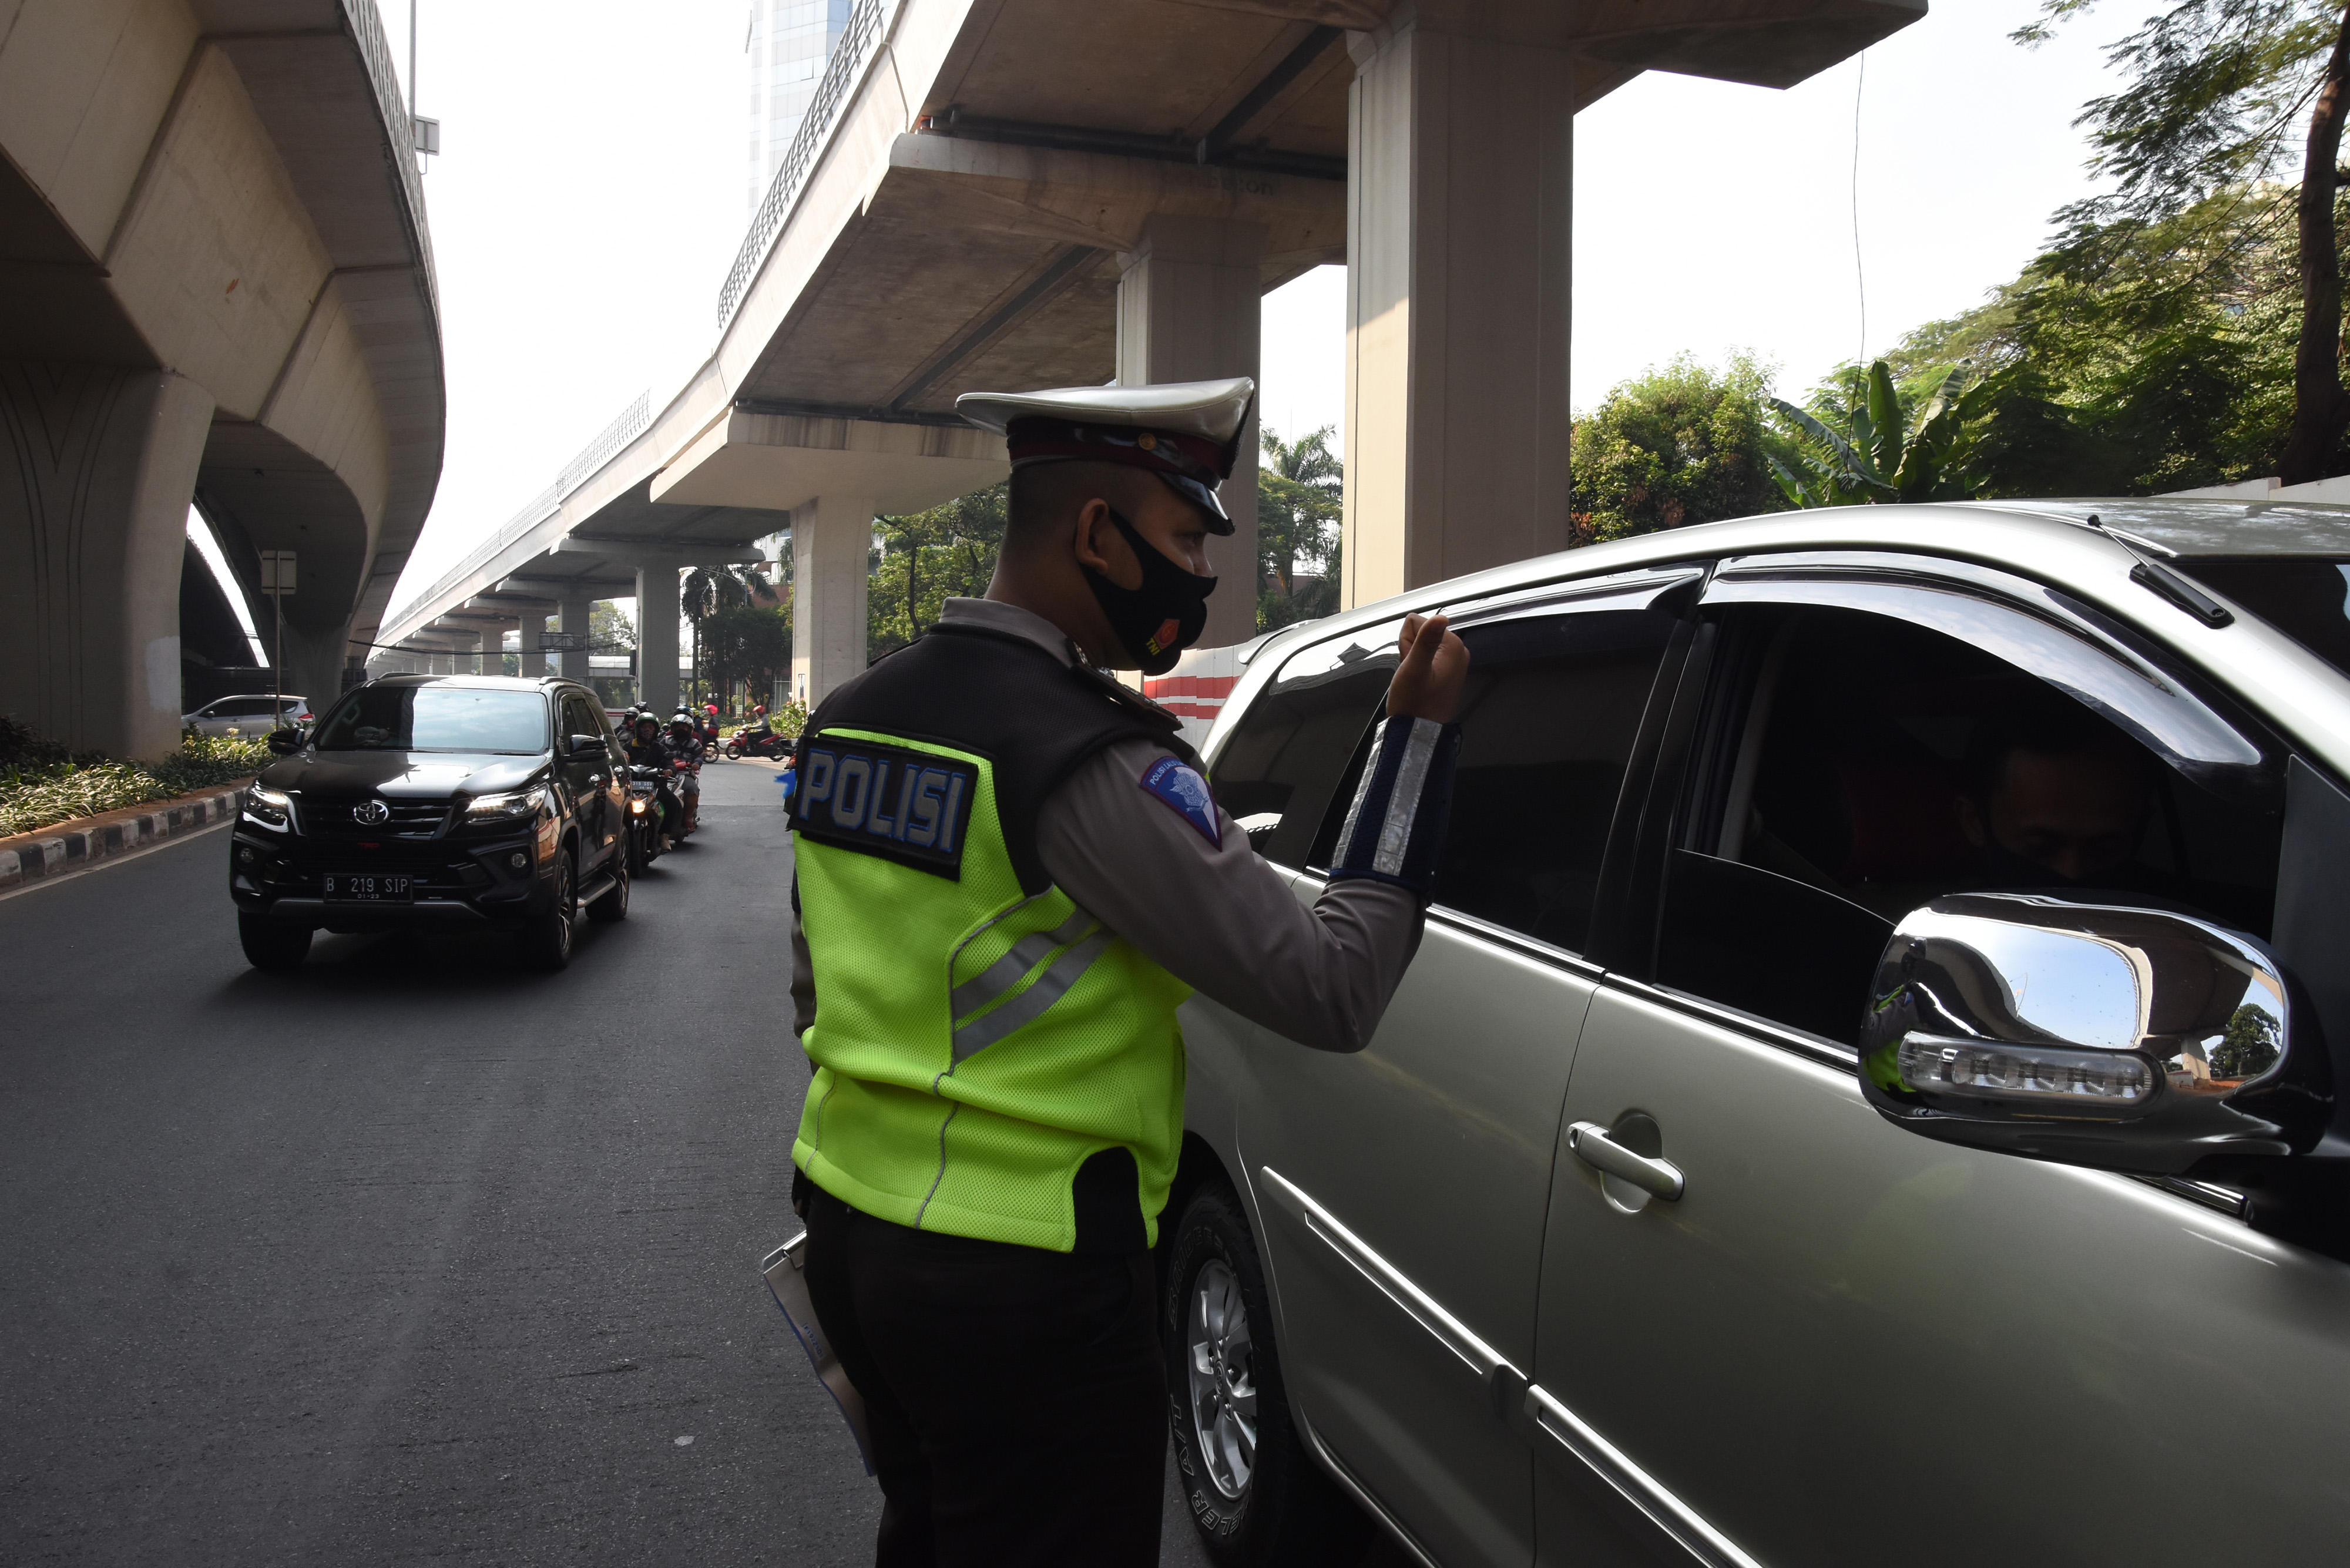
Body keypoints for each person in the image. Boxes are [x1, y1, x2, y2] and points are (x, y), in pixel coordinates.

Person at [785, 375, 1470, 1567]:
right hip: (1024, 1279)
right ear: (1095, 532)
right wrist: (1412, 742)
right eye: (1183, 536)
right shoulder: (1082, 756)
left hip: (850, 1233)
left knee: (930, 1529)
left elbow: (816, 983)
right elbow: (1329, 984)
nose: (1199, 574)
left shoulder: (851, 714)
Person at [1958, 703, 2160, 888]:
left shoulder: (2180, 917)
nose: (2072, 873)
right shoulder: (1938, 923)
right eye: (2041, 846)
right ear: (1974, 822)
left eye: (2105, 849)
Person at [667, 714, 704, 834]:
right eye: (678, 727)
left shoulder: (694, 743)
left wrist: (696, 764)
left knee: (692, 790)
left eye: (684, 727)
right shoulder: (665, 741)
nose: (681, 729)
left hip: (685, 773)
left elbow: (699, 756)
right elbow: (657, 752)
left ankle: (687, 818)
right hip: (667, 773)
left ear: (690, 729)